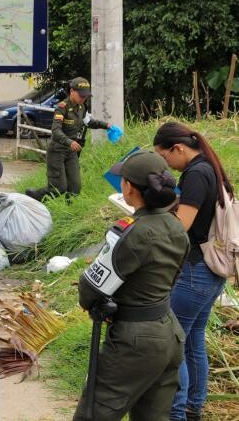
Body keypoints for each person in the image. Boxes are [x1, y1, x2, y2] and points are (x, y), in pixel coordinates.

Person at [73, 150, 188, 420]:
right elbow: (173, 278)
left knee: (93, 415)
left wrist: (89, 303)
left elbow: (91, 287)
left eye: (123, 179)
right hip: (169, 333)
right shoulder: (176, 227)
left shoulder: (133, 232)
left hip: (135, 341)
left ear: (129, 188)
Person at [153, 122, 234, 421]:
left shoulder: (197, 174)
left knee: (173, 344)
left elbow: (181, 226)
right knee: (193, 339)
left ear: (178, 149)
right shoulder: (209, 167)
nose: (166, 165)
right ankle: (192, 408)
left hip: (195, 271)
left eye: (164, 158)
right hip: (211, 272)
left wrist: (153, 221)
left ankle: (177, 414)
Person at [26, 77, 114, 201]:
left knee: (75, 188)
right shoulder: (62, 108)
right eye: (81, 95)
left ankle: (70, 214)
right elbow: (56, 131)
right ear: (72, 91)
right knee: (58, 188)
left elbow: (88, 122)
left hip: (71, 151)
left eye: (86, 96)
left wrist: (106, 125)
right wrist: (69, 142)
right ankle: (34, 197)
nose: (84, 98)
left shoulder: (82, 107)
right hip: (57, 150)